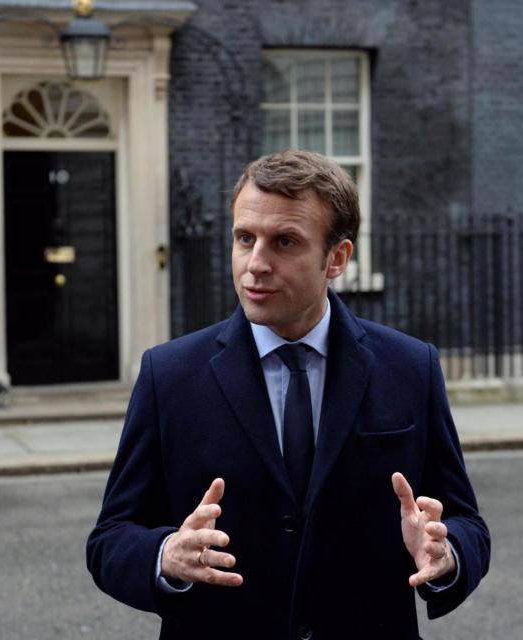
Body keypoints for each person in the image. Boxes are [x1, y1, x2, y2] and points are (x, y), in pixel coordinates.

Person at [86, 150, 490, 639]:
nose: (256, 264)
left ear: (336, 258)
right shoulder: (169, 375)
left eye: (284, 242)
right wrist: (165, 556)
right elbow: (110, 539)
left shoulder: (409, 367)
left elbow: (466, 521)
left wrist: (445, 554)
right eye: (244, 238)